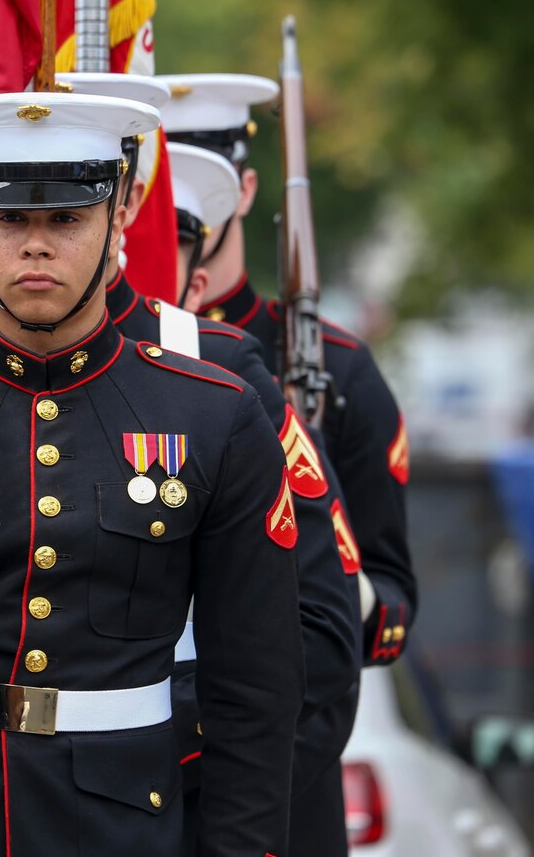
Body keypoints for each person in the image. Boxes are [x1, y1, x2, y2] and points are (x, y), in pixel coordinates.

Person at [0, 91, 305, 857]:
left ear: (117, 219)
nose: (36, 246)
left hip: (125, 828)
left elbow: (255, 694)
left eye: (66, 218)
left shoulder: (214, 414)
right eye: (10, 218)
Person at [158, 72, 418, 856]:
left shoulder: (332, 370)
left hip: (283, 769)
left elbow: (388, 610)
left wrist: (345, 583)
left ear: (241, 188)